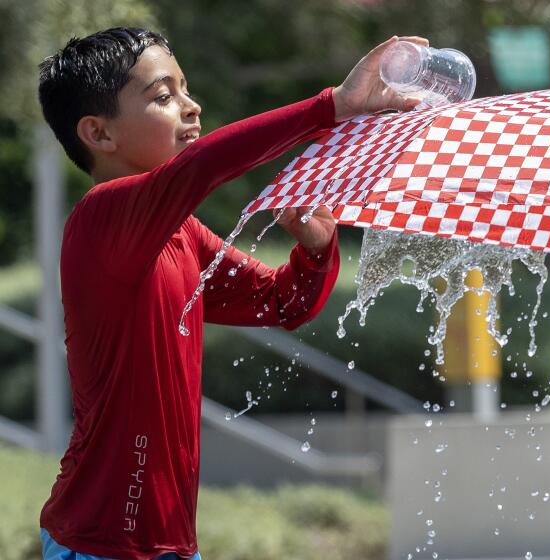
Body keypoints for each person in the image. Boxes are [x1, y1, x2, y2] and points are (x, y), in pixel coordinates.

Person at [36, 27, 427, 560]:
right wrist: (333, 106)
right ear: (99, 134)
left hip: (166, 542)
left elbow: (282, 302)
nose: (191, 107)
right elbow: (205, 167)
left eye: (185, 88)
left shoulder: (180, 235)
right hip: (103, 541)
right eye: (163, 96)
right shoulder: (99, 219)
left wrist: (315, 253)